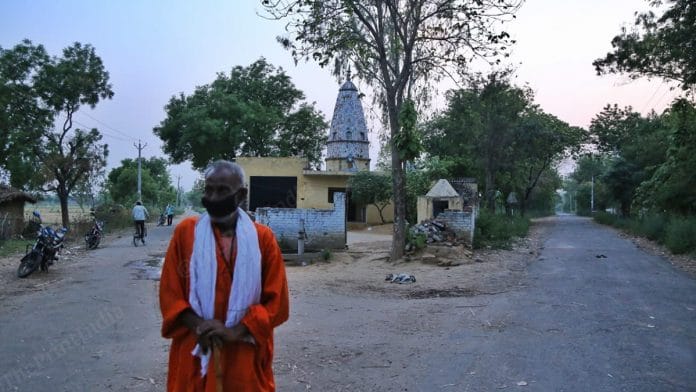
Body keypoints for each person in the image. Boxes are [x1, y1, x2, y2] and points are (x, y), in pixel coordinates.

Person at [159, 160, 289, 392]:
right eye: (209, 190)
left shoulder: (263, 239)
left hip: (244, 351)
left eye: (222, 191)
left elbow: (276, 302)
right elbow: (171, 293)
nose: (213, 197)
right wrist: (201, 326)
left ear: (241, 195)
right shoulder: (186, 233)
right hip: (197, 347)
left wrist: (234, 331)